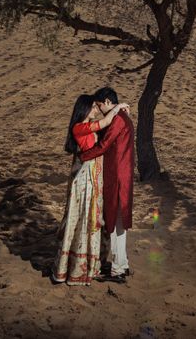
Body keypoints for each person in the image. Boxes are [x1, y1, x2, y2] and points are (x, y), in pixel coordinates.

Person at [51, 94, 129, 286]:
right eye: (94, 107)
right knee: (84, 218)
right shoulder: (79, 127)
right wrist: (117, 108)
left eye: (97, 106)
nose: (96, 110)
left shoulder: (89, 125)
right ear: (84, 109)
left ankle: (91, 264)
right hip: (86, 176)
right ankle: (78, 267)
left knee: (93, 219)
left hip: (95, 175)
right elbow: (105, 124)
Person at [79, 86, 135, 283]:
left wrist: (83, 156)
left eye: (100, 105)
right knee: (119, 223)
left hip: (117, 176)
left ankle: (118, 269)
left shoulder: (118, 119)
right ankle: (122, 264)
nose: (100, 109)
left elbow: (104, 145)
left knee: (115, 222)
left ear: (108, 102)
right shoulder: (122, 116)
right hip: (123, 175)